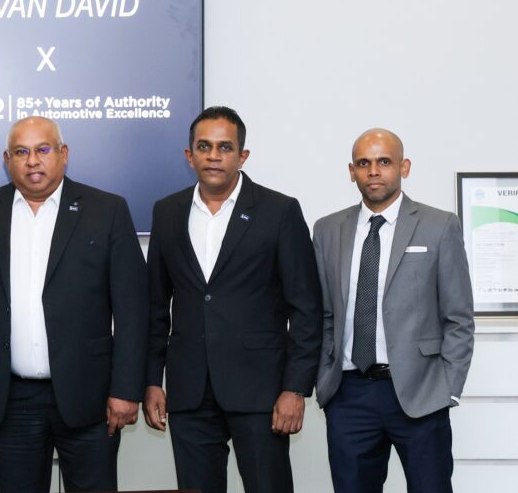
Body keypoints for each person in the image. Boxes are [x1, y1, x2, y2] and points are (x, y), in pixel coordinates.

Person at [0, 116, 150, 493]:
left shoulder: (106, 210)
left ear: (63, 154)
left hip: (90, 397)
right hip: (9, 400)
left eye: (43, 149)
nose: (33, 161)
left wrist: (127, 389)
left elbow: (132, 310)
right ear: (7, 159)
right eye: (21, 152)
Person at [144, 106, 322, 493]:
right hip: (190, 391)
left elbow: (306, 309)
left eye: (225, 147)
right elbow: (155, 306)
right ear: (189, 155)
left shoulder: (279, 211)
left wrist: (295, 388)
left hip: (261, 392)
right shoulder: (167, 212)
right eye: (204, 146)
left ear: (242, 156)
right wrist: (152, 380)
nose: (214, 156)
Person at [313, 129, 473, 493]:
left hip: (421, 393)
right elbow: (324, 315)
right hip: (349, 396)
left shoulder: (439, 225)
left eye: (384, 161)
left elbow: (458, 318)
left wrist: (448, 388)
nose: (373, 171)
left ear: (404, 167)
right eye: (363, 163)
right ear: (351, 171)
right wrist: (326, 381)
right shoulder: (327, 230)